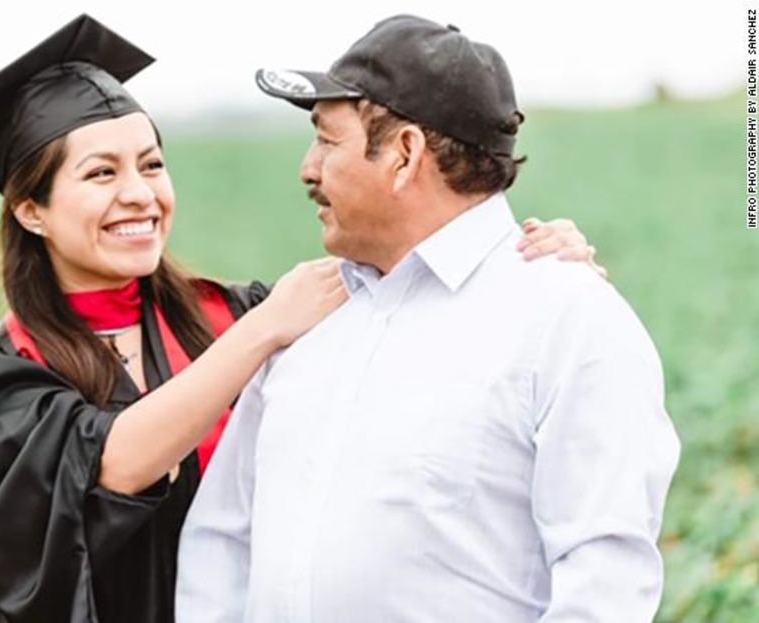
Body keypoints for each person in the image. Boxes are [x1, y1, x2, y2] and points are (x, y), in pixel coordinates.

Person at [0, 14, 606, 623]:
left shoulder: (229, 314)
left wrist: (519, 260)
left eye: (151, 164)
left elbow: (413, 294)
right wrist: (263, 331)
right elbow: (111, 460)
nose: (140, 194)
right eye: (101, 174)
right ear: (31, 210)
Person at [176, 14, 680, 623]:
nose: (308, 169)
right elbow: (223, 542)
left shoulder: (569, 321)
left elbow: (604, 587)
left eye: (328, 140)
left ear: (404, 154)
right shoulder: (303, 316)